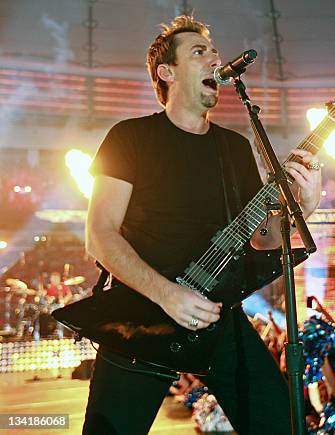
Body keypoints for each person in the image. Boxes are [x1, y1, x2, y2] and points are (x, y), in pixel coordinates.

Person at [82, 15, 321, 434]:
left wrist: (305, 206)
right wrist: (167, 294)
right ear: (166, 72)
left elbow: (260, 238)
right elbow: (100, 234)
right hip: (141, 319)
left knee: (279, 423)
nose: (215, 59)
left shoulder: (235, 147)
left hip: (218, 315)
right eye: (200, 52)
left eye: (214, 52)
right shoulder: (129, 137)